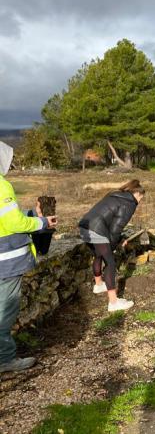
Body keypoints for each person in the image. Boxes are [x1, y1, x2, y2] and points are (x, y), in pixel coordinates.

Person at [0, 141, 57, 373]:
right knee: (5, 312)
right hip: (6, 262)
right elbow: (12, 222)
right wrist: (41, 221)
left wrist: (30, 214)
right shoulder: (2, 186)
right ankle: (5, 360)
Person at [79, 179, 144, 312]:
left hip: (85, 226)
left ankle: (98, 285)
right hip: (97, 230)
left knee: (97, 255)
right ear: (136, 193)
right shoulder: (129, 204)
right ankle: (113, 302)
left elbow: (109, 220)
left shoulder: (114, 195)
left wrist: (120, 239)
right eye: (141, 197)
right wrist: (115, 245)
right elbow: (116, 228)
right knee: (110, 263)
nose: (140, 201)